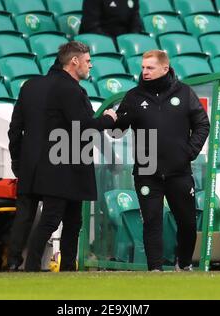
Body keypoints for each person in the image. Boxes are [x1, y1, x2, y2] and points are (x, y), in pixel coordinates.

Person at [113, 50, 210, 271]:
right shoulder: (133, 96)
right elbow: (117, 133)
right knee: (152, 221)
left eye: (150, 68)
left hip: (179, 171)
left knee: (187, 222)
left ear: (164, 68)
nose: (145, 72)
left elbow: (202, 124)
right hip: (147, 171)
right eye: (143, 68)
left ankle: (183, 264)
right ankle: (154, 269)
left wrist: (189, 151)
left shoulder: (184, 93)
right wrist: (116, 120)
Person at [25, 41, 117, 271]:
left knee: (74, 222)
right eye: (87, 61)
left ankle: (68, 267)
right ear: (74, 61)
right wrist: (108, 119)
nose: (90, 66)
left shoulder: (66, 86)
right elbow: (83, 125)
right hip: (60, 164)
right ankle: (32, 267)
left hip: (71, 163)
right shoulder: (67, 88)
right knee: (52, 219)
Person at [6, 60, 63, 271]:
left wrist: (16, 159)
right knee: (52, 214)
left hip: (29, 161)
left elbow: (15, 128)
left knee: (25, 214)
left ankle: (13, 261)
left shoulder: (29, 86)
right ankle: (37, 261)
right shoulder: (68, 89)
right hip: (56, 162)